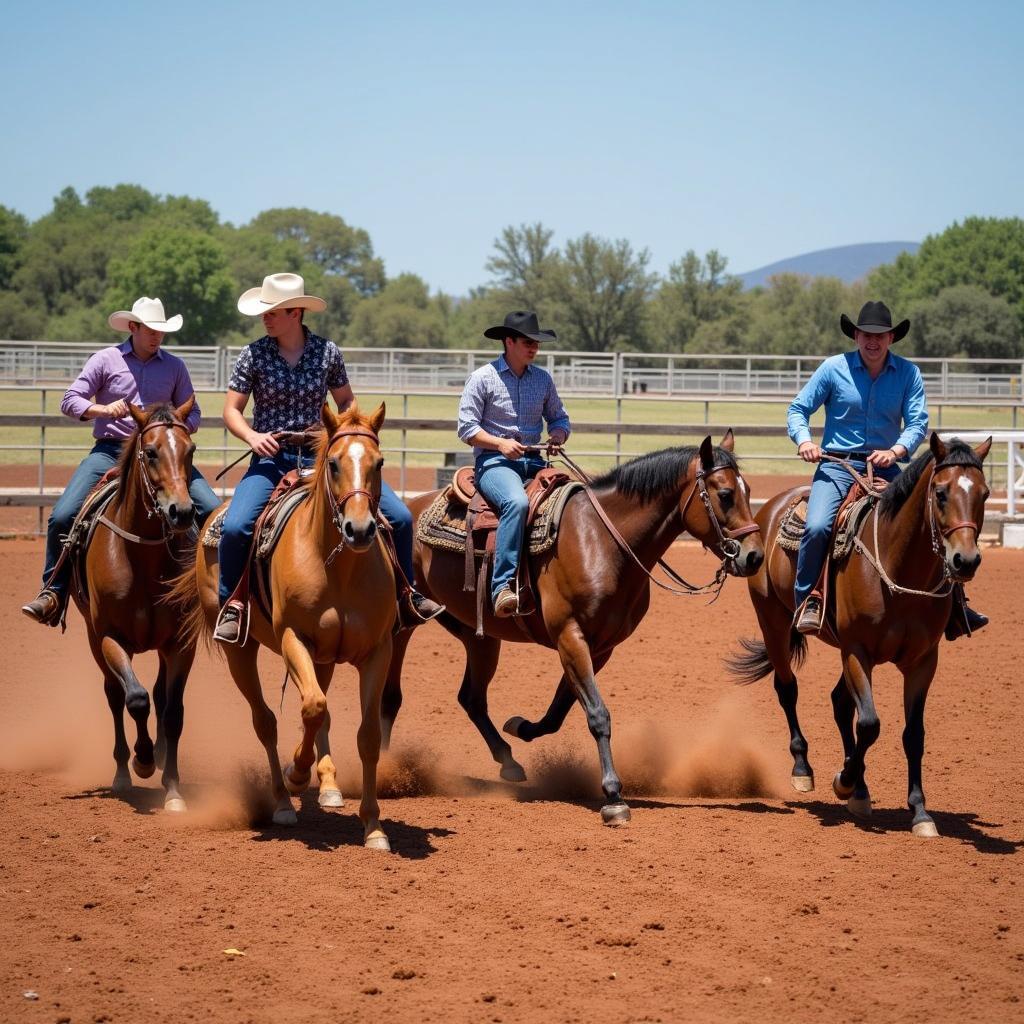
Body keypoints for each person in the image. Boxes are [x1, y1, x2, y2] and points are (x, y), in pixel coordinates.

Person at [213, 273, 444, 643]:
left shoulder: (327, 353)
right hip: (273, 460)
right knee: (237, 526)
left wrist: (348, 430)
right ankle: (233, 605)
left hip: (327, 462)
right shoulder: (252, 355)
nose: (266, 317)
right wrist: (252, 437)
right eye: (265, 312)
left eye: (274, 311)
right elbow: (231, 410)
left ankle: (406, 595)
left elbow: (347, 400)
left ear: (296, 313)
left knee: (399, 518)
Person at [787, 300, 987, 639]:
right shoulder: (833, 369)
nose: (873, 342)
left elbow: (917, 422)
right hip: (837, 465)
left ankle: (956, 605)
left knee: (931, 520)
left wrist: (896, 450)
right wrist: (804, 440)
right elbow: (798, 409)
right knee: (819, 525)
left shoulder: (908, 373)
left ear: (892, 337)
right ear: (856, 335)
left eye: (880, 335)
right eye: (866, 334)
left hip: (888, 466)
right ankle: (809, 599)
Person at [21, 297, 220, 626]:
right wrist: (101, 410)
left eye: (161, 331)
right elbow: (70, 400)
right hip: (111, 450)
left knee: (211, 508)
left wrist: (170, 425)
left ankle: (212, 591)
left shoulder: (174, 367)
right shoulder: (105, 360)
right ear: (133, 328)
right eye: (151, 330)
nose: (157, 336)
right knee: (63, 515)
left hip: (160, 454)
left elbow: (193, 411)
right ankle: (52, 592)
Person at [457, 310, 571, 617]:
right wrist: (500, 443)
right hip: (494, 464)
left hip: (535, 460)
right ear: (509, 341)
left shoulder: (543, 380)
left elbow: (559, 417)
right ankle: (502, 586)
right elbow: (466, 429)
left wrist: (558, 434)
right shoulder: (483, 378)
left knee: (577, 498)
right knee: (516, 503)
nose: (533, 348)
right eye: (527, 342)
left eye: (536, 343)